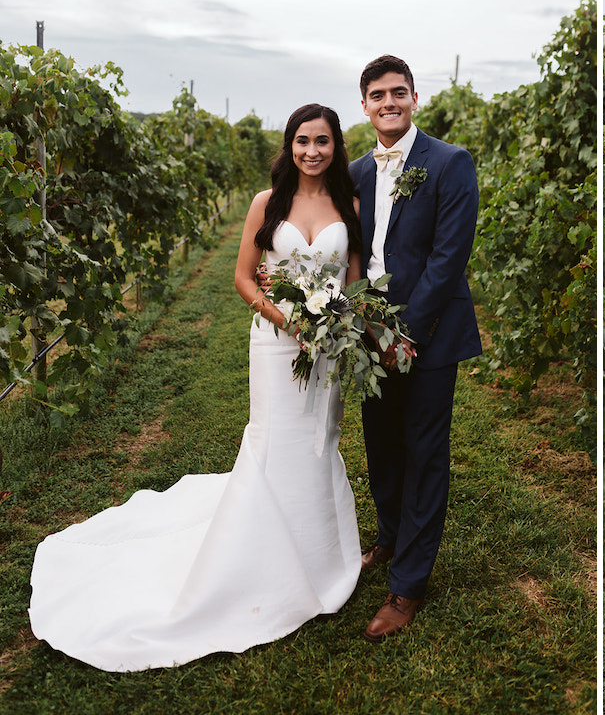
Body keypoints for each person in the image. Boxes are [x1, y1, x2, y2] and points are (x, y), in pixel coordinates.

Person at [27, 103, 364, 671]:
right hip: (276, 342)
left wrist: (337, 326)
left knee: (317, 442)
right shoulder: (267, 203)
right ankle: (260, 557)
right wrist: (289, 322)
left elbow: (352, 281)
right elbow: (241, 277)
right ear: (290, 145)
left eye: (323, 141)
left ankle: (317, 555)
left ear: (336, 146)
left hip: (326, 348)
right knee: (275, 438)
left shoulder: (349, 206)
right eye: (303, 140)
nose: (312, 151)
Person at [349, 55, 482, 642]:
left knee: (424, 452)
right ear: (364, 105)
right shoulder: (355, 172)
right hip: (367, 330)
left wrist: (407, 335)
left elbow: (448, 258)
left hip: (428, 334)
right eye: (377, 95)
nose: (388, 103)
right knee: (379, 440)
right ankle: (389, 535)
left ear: (414, 98)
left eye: (397, 93)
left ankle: (408, 584)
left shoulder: (450, 163)